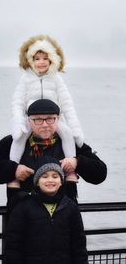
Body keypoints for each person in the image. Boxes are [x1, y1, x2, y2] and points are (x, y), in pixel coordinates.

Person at [0, 98, 107, 207]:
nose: (44, 124)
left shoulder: (71, 142)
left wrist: (78, 162)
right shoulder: (12, 142)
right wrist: (13, 170)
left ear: (58, 119)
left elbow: (100, 174)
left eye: (50, 119)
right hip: (22, 219)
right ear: (28, 121)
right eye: (38, 120)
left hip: (64, 217)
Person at [9, 34, 83, 186]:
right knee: (18, 138)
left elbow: (67, 104)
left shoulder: (56, 78)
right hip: (32, 120)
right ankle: (13, 171)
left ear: (52, 60)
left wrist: (74, 126)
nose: (41, 62)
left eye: (44, 58)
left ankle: (70, 171)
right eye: (37, 58)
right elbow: (17, 102)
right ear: (30, 60)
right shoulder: (25, 79)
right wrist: (18, 122)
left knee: (68, 134)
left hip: (53, 120)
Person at [4, 155, 88, 264]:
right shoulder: (23, 206)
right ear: (37, 182)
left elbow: (79, 245)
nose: (50, 180)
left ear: (61, 181)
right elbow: (13, 246)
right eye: (44, 176)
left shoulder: (70, 207)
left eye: (55, 176)